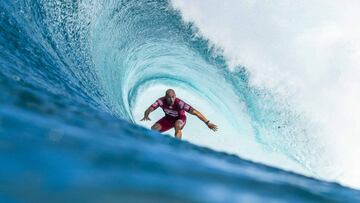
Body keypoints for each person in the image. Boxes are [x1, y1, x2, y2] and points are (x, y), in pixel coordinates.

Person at [140, 89, 218, 139]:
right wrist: (146, 115)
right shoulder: (161, 101)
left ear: (175, 96)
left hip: (180, 119)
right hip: (168, 119)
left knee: (177, 125)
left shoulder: (180, 103)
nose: (171, 99)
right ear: (165, 97)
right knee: (153, 129)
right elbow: (150, 109)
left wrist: (207, 123)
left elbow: (195, 112)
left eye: (173, 97)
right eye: (169, 97)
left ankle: (177, 145)